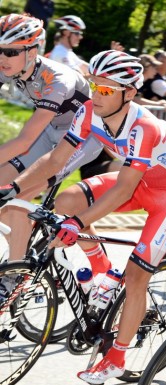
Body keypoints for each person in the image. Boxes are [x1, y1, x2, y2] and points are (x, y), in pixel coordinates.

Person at [0, 50, 166, 384]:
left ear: (130, 93)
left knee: (137, 275)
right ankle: (103, 270)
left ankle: (116, 359)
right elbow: (56, 160)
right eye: (94, 86)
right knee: (67, 200)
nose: (97, 95)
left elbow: (123, 190)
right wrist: (13, 188)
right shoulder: (89, 111)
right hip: (140, 181)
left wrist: (77, 224)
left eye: (106, 89)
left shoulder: (143, 127)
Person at [0, 14, 89, 264]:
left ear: (32, 51)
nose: (2, 58)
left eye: (10, 51)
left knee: (19, 196)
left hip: (82, 137)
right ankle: (20, 252)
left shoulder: (57, 79)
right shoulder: (12, 67)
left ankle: (15, 272)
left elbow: (24, 141)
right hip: (51, 128)